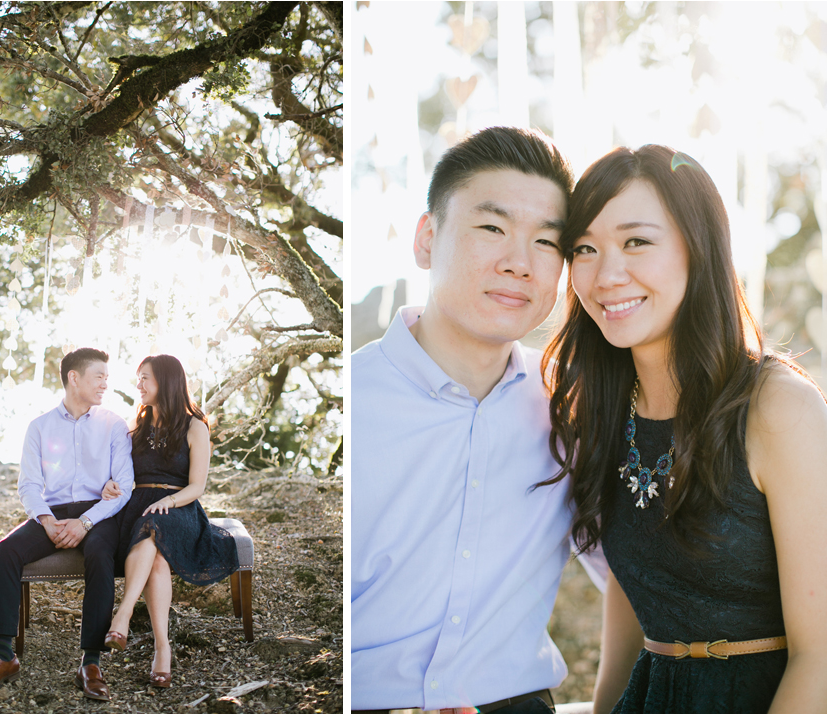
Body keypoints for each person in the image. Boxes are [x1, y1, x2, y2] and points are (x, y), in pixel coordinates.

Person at [542, 144, 827, 713]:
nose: (607, 274)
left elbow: (821, 655)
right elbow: (634, 586)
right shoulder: (602, 412)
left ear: (698, 247)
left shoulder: (778, 409)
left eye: (637, 241)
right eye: (585, 249)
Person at [351, 126, 606, 714]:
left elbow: (640, 573)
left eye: (547, 242)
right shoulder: (356, 400)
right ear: (427, 238)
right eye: (492, 228)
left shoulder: (568, 411)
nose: (519, 263)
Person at [0, 347, 134, 701]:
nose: (106, 383)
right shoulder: (39, 427)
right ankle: (2, 656)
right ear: (74, 377)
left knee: (102, 554)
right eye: (98, 376)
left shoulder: (114, 425)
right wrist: (46, 519)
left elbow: (124, 486)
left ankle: (91, 662)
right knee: (7, 550)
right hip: (51, 511)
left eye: (107, 376)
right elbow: (27, 485)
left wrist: (85, 522)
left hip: (97, 511)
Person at [99, 354, 239, 688]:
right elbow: (116, 472)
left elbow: (197, 485)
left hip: (179, 507)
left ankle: (124, 615)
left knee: (156, 528)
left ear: (167, 381)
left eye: (145, 378)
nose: (139, 385)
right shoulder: (135, 427)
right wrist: (108, 483)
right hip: (138, 507)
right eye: (138, 378)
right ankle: (163, 648)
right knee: (156, 554)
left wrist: (168, 501)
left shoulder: (194, 426)